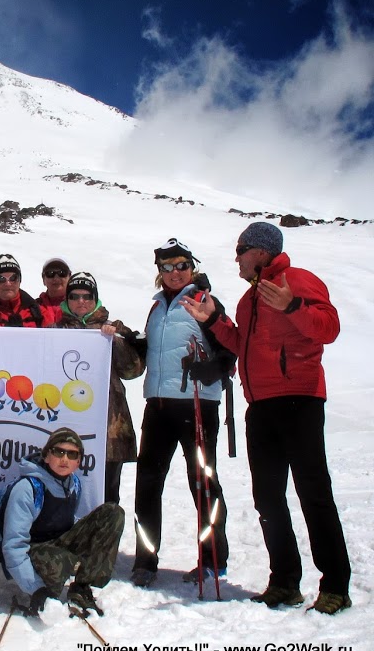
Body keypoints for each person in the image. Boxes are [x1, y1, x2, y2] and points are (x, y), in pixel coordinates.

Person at [182, 221, 351, 614]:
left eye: (241, 249)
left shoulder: (298, 281)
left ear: (260, 251)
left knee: (313, 494)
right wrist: (213, 320)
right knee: (269, 498)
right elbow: (242, 345)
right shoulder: (249, 298)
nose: (236, 257)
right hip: (259, 406)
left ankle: (336, 586)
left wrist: (293, 306)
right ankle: (284, 582)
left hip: (300, 400)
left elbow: (329, 329)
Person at [130, 239, 233, 589]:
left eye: (181, 265)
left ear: (192, 266)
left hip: (196, 404)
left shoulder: (206, 302)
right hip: (158, 405)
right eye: (167, 267)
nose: (175, 273)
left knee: (203, 483)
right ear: (159, 272)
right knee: (147, 484)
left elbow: (230, 347)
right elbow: (153, 347)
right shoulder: (157, 306)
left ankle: (212, 558)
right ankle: (145, 559)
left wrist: (214, 367)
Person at [1, 428, 125, 617]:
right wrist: (35, 589)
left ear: (78, 462)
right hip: (34, 550)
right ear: (46, 455)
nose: (64, 459)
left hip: (58, 543)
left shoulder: (73, 483)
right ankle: (46, 588)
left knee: (112, 513)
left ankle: (82, 587)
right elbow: (13, 546)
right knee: (63, 561)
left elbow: (69, 521)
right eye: (58, 452)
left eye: (72, 454)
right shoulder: (27, 488)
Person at [54, 272, 143, 504]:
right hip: (66, 424)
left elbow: (133, 370)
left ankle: (106, 539)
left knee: (106, 496)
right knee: (64, 497)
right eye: (74, 296)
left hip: (109, 431)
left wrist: (116, 342)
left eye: (87, 296)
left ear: (96, 299)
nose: (81, 301)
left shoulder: (113, 328)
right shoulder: (54, 330)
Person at [36, 257, 71, 326]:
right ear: (43, 279)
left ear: (70, 277)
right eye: (50, 273)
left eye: (62, 273)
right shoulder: (33, 307)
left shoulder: (82, 304)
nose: (56, 278)